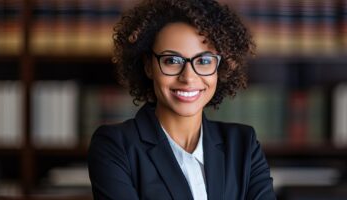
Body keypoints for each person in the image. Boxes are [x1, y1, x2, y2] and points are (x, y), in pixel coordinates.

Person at [87, 0, 276, 199]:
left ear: (220, 68)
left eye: (203, 61)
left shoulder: (243, 145)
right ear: (148, 66)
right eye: (172, 61)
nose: (188, 77)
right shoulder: (115, 146)